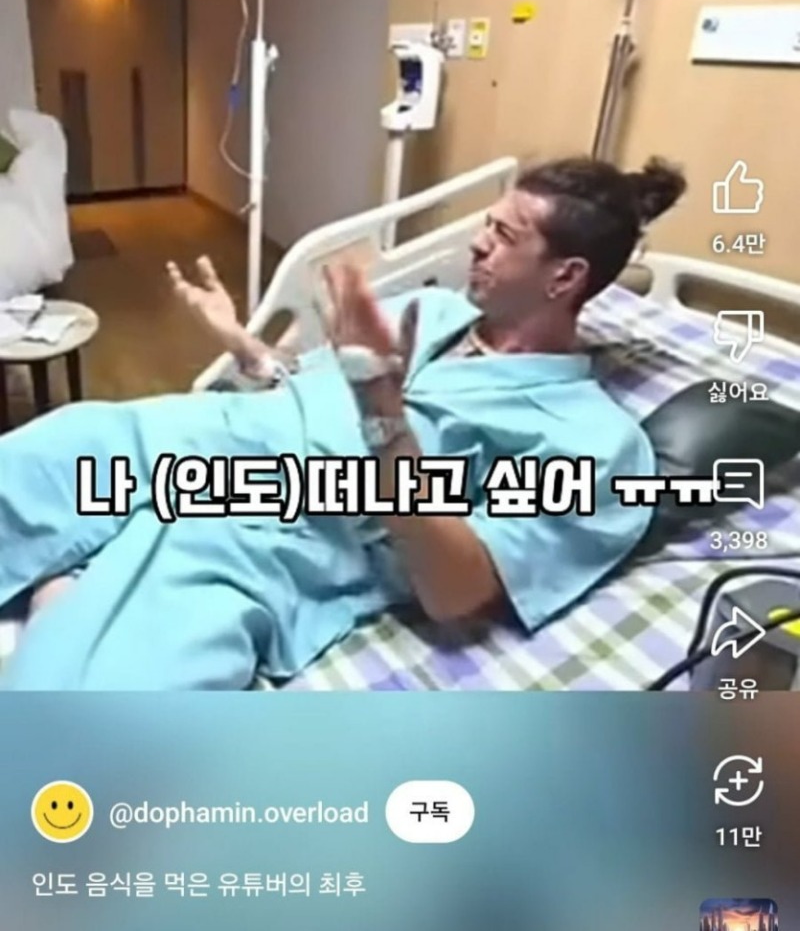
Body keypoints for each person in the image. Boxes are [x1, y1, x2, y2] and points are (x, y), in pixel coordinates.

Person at [0, 155, 685, 691]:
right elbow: (306, 388)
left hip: (279, 528)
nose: (477, 243)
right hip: (212, 430)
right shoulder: (437, 312)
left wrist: (383, 408)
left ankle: (70, 602)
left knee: (93, 700)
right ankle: (67, 589)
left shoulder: (596, 446)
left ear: (564, 278)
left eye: (504, 235)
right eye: (487, 223)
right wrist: (244, 344)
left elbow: (455, 591)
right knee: (60, 446)